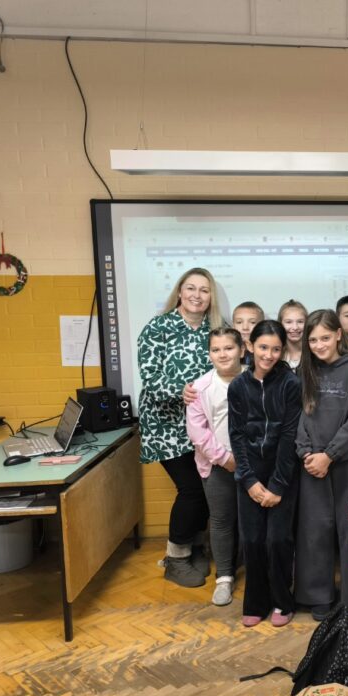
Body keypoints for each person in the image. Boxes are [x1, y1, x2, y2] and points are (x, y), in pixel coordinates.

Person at [137, 267, 225, 587]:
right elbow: (149, 377)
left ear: (211, 296)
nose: (196, 295)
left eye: (204, 290)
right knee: (191, 490)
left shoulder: (214, 330)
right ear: (179, 291)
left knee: (205, 490)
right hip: (165, 427)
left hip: (202, 427)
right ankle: (175, 559)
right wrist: (180, 391)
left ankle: (195, 549)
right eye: (191, 288)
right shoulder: (158, 327)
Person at [295, 309, 348, 619]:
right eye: (313, 340)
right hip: (311, 463)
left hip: (346, 460)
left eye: (325, 338)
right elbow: (299, 417)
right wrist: (307, 453)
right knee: (315, 528)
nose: (319, 345)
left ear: (339, 335)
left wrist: (330, 455)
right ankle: (318, 595)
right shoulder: (305, 370)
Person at [228, 320, 303, 627]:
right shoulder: (238, 386)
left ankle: (283, 602)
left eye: (275, 349)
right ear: (250, 346)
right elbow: (236, 435)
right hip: (249, 474)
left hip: (282, 472)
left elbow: (289, 436)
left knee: (277, 540)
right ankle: (256, 603)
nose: (268, 355)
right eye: (262, 347)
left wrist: (277, 485)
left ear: (282, 350)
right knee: (253, 540)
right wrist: (249, 481)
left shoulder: (290, 384)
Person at [185, 327, 244, 606]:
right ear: (209, 354)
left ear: (242, 350)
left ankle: (258, 572)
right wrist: (225, 459)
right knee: (221, 521)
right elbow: (198, 433)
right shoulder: (200, 388)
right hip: (218, 465)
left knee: (252, 520)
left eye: (228, 348)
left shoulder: (256, 378)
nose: (222, 354)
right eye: (216, 349)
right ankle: (224, 577)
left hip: (254, 464)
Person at [232, 301, 265, 367]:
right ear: (233, 325)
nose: (245, 327)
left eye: (252, 322)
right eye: (239, 322)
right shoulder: (228, 348)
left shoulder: (266, 349)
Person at [278, 299, 308, 371]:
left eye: (300, 322)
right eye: (288, 322)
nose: (295, 327)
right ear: (280, 324)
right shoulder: (276, 355)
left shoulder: (314, 353)